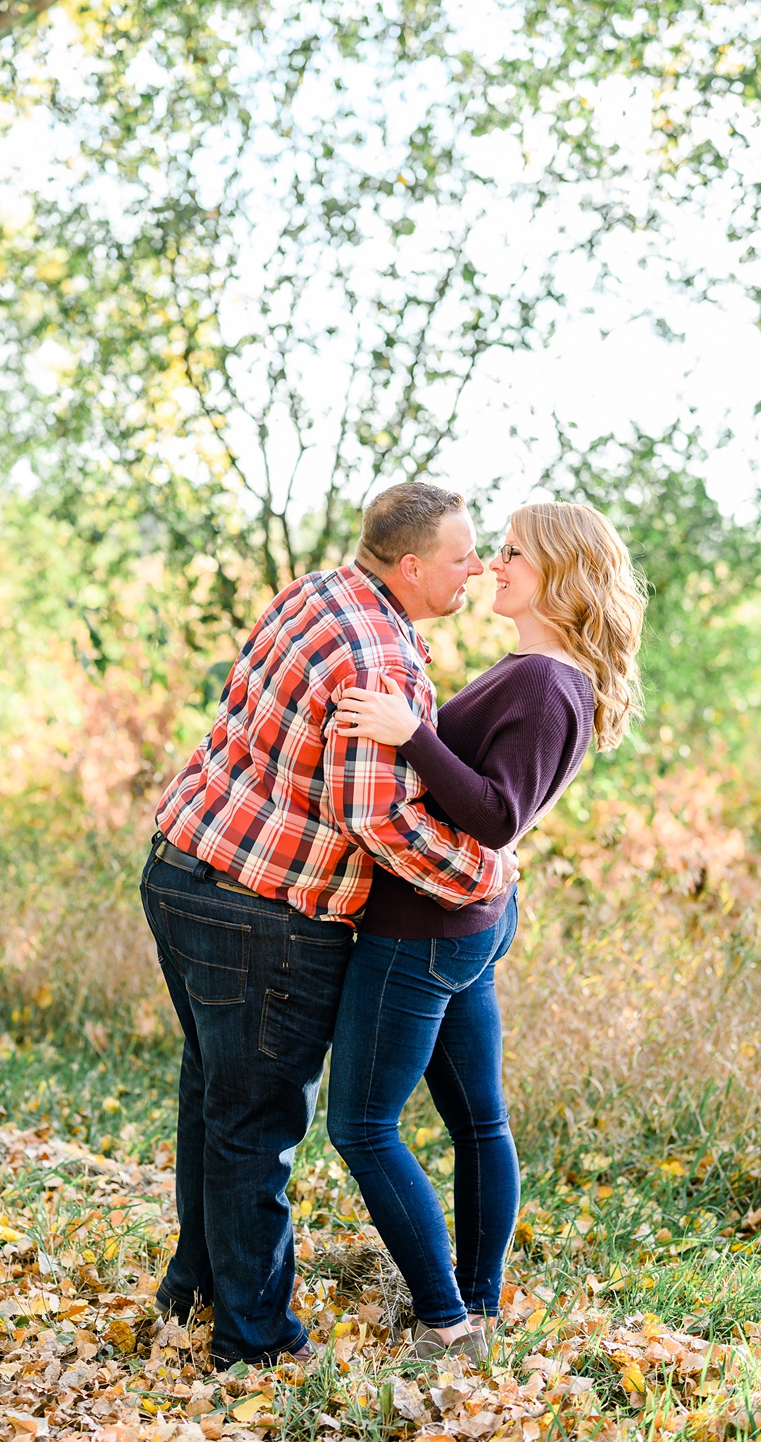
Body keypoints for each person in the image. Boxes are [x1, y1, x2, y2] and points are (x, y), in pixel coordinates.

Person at [140, 482, 518, 1366]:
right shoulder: (382, 659)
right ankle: (256, 1342)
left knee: (214, 1097)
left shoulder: (316, 592)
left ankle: (193, 1291)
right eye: (462, 556)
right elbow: (377, 817)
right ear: (412, 565)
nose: (476, 568)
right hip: (262, 913)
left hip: (182, 865)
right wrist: (487, 872)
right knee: (256, 1126)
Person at [326, 500, 647, 1365]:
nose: (492, 566)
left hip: (424, 932)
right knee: (479, 1123)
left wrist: (411, 734)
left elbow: (499, 815)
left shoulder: (545, 682)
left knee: (361, 1125)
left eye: (511, 553)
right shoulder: (541, 671)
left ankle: (446, 1322)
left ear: (561, 574)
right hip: (463, 923)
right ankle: (477, 1311)